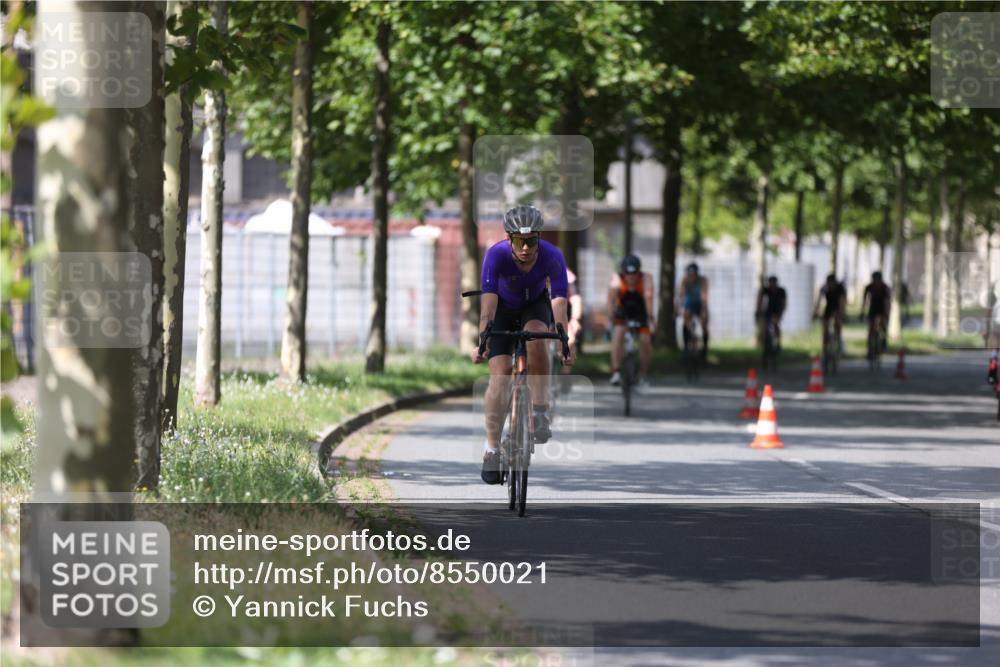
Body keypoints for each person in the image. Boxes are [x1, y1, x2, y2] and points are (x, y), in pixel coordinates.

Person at [473, 205, 575, 485]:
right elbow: (488, 308)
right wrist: (482, 342)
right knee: (501, 375)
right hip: (503, 309)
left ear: (539, 238)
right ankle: (492, 449)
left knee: (538, 339)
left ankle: (540, 411)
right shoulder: (496, 255)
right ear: (509, 239)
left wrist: (564, 341)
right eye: (519, 241)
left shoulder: (553, 256)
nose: (526, 248)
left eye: (531, 241)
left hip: (534, 307)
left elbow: (559, 302)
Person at [607, 254, 655, 390]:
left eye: (634, 273)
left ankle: (643, 375)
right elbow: (610, 301)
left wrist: (650, 319)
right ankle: (616, 372)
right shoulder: (616, 279)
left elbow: (649, 299)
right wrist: (610, 320)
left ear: (639, 272)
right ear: (623, 272)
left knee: (645, 341)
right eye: (628, 273)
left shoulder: (646, 279)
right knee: (618, 334)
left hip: (641, 312)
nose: (631, 276)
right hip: (623, 312)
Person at [677, 262, 710, 360]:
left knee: (704, 324)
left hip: (700, 304)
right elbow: (681, 296)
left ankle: (704, 351)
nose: (692, 277)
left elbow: (704, 297)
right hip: (689, 305)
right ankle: (686, 347)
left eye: (694, 275)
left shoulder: (703, 281)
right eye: (690, 275)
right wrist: (678, 309)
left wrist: (704, 311)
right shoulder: (685, 281)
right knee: (686, 318)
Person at [813, 273, 847, 352]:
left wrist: (842, 313)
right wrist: (816, 312)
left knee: (838, 323)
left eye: (832, 283)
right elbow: (819, 300)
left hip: (838, 307)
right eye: (829, 283)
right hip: (829, 308)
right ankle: (825, 349)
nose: (830, 285)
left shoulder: (840, 288)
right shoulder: (825, 288)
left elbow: (842, 301)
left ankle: (839, 340)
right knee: (825, 329)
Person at [860, 271, 891, 352]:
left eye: (878, 280)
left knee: (883, 324)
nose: (876, 282)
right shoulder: (869, 287)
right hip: (873, 308)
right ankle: (870, 348)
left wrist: (887, 313)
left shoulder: (885, 287)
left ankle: (884, 341)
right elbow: (864, 301)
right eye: (874, 280)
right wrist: (862, 312)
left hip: (882, 308)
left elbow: (888, 301)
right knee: (871, 328)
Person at [756, 275, 787, 349]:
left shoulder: (781, 291)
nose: (772, 285)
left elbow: (784, 303)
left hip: (777, 311)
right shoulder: (766, 290)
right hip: (768, 311)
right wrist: (759, 311)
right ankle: (766, 342)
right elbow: (760, 300)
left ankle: (778, 342)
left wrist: (781, 313)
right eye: (770, 283)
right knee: (765, 326)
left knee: (776, 325)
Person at [986, 278, 1000, 386]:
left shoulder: (996, 282)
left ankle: (992, 371)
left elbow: (990, 306)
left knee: (995, 339)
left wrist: (986, 328)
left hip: (997, 314)